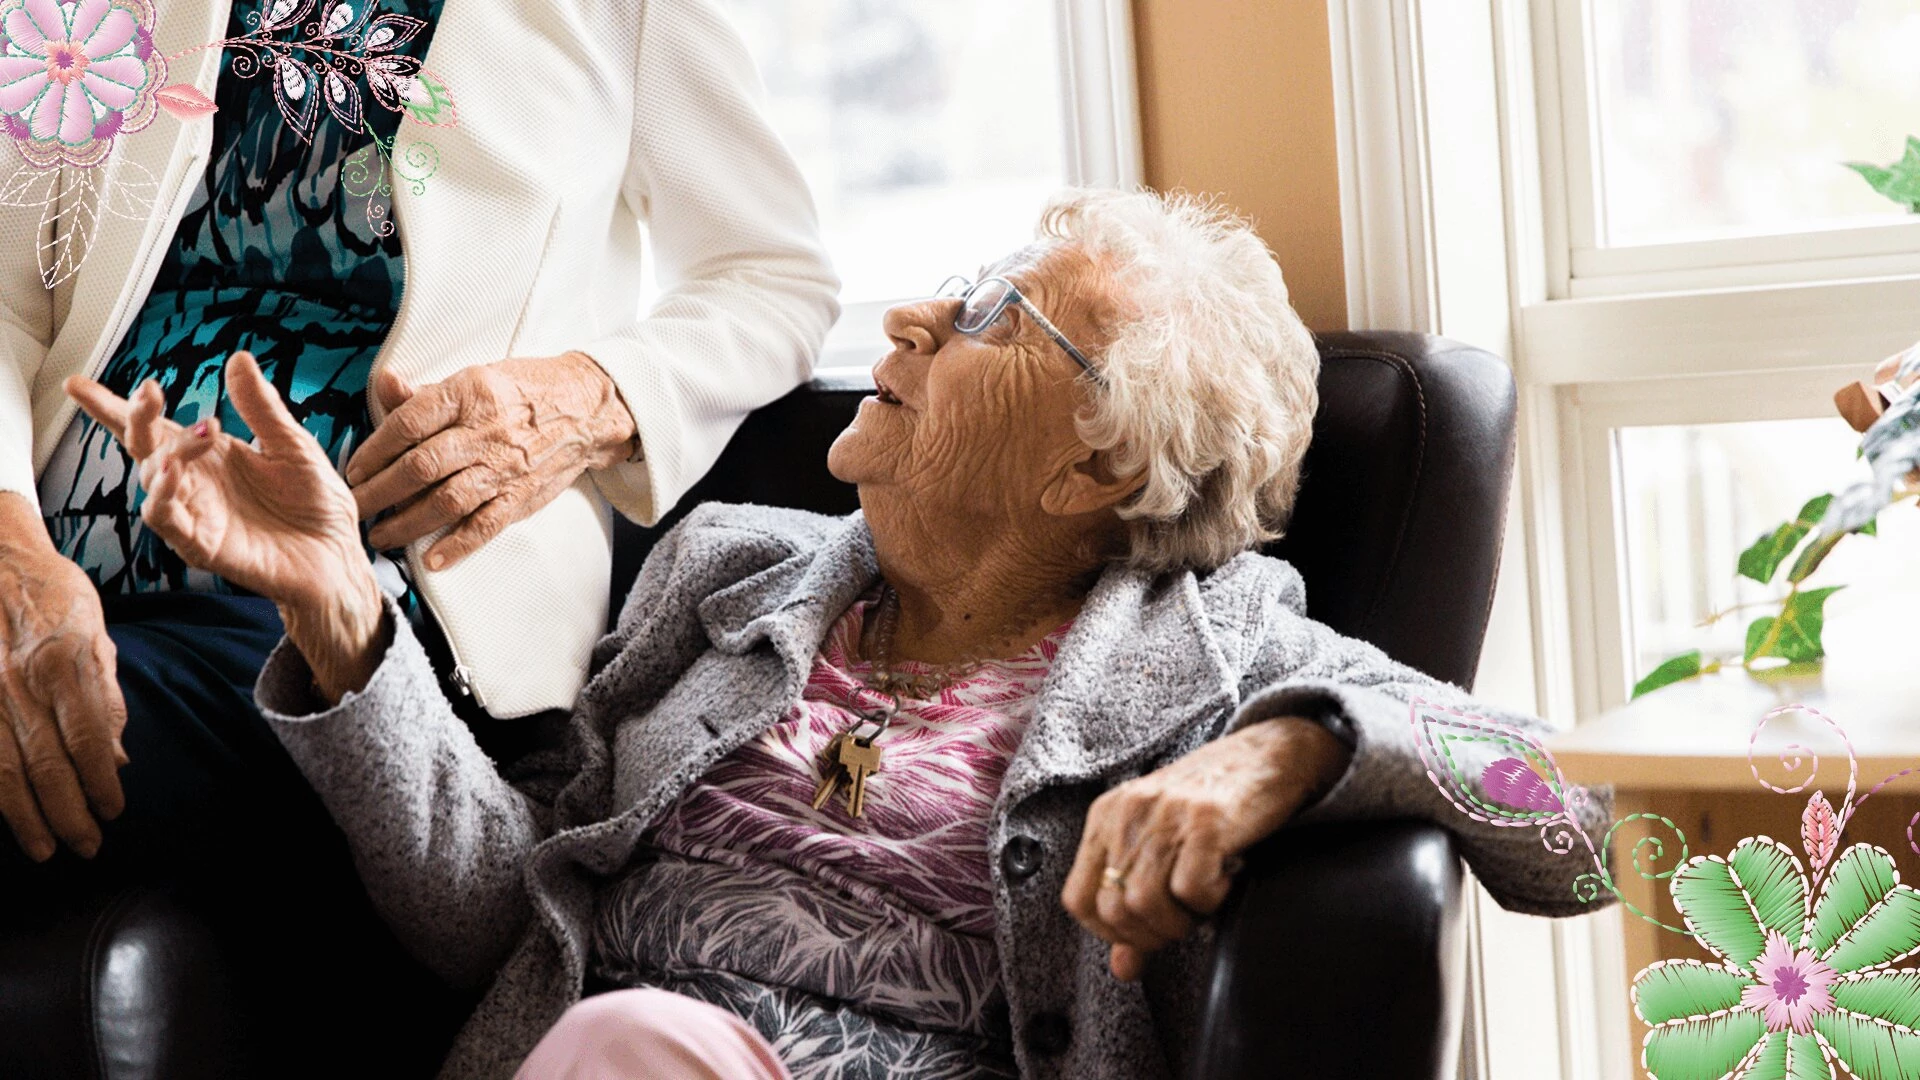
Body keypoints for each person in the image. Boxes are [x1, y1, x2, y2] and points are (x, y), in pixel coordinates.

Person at [71, 189, 1606, 1080]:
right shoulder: (727, 574)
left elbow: (1582, 813)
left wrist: (1287, 753)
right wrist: (342, 610)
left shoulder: (1211, 649)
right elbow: (498, 918)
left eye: (993, 315)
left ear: (1094, 465)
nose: (912, 321)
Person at [0, 0, 833, 1069]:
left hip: (365, 614)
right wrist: (12, 554)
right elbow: (9, 295)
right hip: (61, 579)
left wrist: (587, 396)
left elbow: (772, 277)